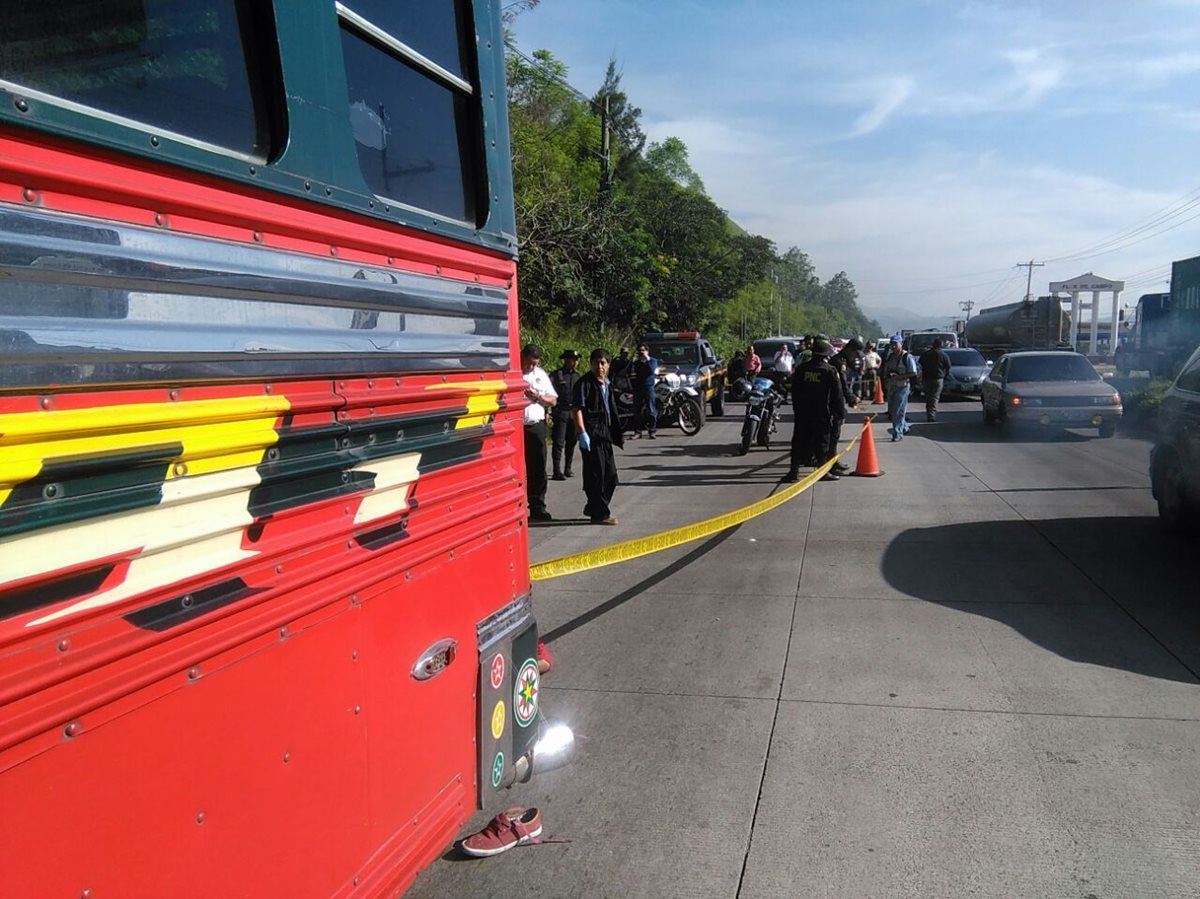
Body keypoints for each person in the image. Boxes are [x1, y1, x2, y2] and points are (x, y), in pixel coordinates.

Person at [784, 338, 846, 483]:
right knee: (822, 442)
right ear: (825, 355)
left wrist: (797, 409)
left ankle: (793, 472)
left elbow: (795, 391)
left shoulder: (801, 369)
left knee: (799, 441)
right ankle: (822, 472)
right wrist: (840, 413)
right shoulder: (830, 371)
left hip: (803, 413)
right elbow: (837, 395)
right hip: (822, 413)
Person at [573, 348, 625, 524]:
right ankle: (600, 514)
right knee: (596, 476)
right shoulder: (584, 384)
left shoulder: (607, 384)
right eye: (596, 362)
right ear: (591, 364)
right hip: (591, 435)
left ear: (608, 365)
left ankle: (592, 505)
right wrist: (582, 432)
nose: (599, 366)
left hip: (605, 435)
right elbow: (577, 409)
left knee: (610, 476)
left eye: (603, 363)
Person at [520, 343, 557, 521]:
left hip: (535, 425)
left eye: (535, 363)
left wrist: (538, 397)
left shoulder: (540, 375)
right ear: (522, 357)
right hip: (516, 426)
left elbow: (553, 400)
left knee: (538, 466)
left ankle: (537, 506)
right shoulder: (512, 372)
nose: (531, 367)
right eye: (529, 363)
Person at [550, 348, 582, 479]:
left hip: (573, 412)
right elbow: (549, 392)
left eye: (576, 360)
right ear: (566, 360)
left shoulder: (577, 376)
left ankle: (567, 468)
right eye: (572, 360)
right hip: (561, 411)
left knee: (571, 441)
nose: (574, 362)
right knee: (558, 442)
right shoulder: (556, 375)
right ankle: (557, 470)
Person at [881, 335, 918, 441]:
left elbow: (913, 373)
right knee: (892, 411)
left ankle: (897, 433)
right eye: (891, 344)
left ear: (901, 344)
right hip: (892, 386)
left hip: (903, 386)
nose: (893, 347)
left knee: (898, 411)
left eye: (895, 344)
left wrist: (899, 377)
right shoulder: (891, 356)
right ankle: (904, 427)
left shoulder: (907, 357)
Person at [917, 338, 952, 422]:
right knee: (934, 397)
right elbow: (948, 367)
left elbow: (920, 364)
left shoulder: (926, 354)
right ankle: (931, 416)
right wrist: (945, 377)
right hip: (938, 379)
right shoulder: (943, 355)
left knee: (928, 397)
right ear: (941, 345)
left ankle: (929, 413)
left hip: (926, 378)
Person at [632, 343, 659, 439]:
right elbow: (633, 372)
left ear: (647, 351)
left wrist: (646, 360)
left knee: (651, 409)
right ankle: (638, 431)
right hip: (638, 387)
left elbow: (651, 370)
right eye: (640, 350)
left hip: (649, 386)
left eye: (643, 350)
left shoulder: (653, 361)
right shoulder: (637, 362)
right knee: (637, 410)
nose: (641, 352)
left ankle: (652, 431)